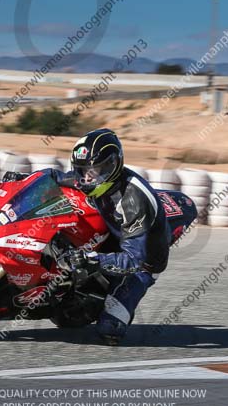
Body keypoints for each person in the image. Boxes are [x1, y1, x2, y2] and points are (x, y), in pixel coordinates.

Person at [16, 128, 196, 345]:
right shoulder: (87, 177)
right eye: (82, 170)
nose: (87, 177)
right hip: (113, 234)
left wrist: (93, 259)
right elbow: (54, 176)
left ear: (113, 165)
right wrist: (23, 182)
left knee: (109, 332)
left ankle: (107, 305)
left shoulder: (134, 201)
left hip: (141, 261)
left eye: (95, 170)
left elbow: (134, 260)